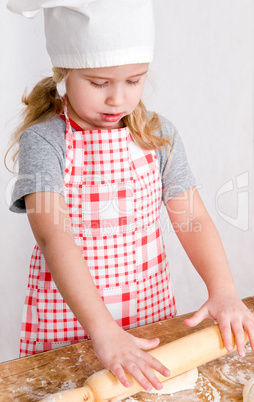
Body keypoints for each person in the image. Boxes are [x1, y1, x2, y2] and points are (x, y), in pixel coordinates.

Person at [6, 0, 254, 393]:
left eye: (134, 80)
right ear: (65, 73)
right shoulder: (45, 140)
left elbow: (192, 218)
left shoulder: (157, 135)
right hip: (73, 326)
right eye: (99, 82)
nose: (117, 100)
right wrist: (104, 332)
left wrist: (223, 289)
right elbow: (55, 237)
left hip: (147, 315)